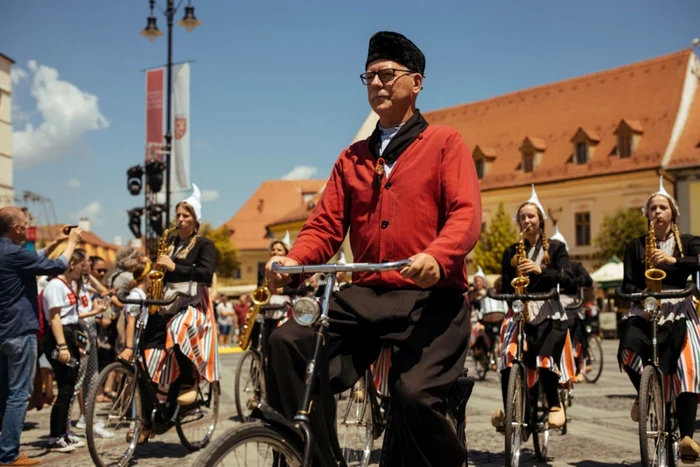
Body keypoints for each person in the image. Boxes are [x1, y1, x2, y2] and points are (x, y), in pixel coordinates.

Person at [266, 31, 481, 466]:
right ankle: (316, 460)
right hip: (365, 296)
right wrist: (292, 260)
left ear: (416, 83)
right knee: (287, 343)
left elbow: (465, 215)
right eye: (369, 77)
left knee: (413, 397)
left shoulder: (445, 143)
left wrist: (437, 258)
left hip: (431, 299)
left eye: (387, 74)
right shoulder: (352, 158)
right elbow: (324, 226)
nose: (377, 84)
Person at [123, 184, 218, 444]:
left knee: (178, 329)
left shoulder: (205, 245)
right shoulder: (172, 243)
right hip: (166, 301)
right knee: (145, 353)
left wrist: (175, 266)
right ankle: (149, 417)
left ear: (195, 219)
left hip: (192, 304)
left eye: (185, 215)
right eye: (178, 215)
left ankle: (189, 384)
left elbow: (206, 275)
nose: (179, 219)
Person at [617, 176, 700, 459]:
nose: (657, 213)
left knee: (688, 364)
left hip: (679, 306)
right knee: (627, 345)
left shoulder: (688, 242)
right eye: (652, 208)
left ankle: (688, 437)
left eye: (662, 208)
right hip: (646, 306)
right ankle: (645, 394)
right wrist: (639, 292)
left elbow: (698, 262)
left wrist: (673, 261)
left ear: (673, 213)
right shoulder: (635, 246)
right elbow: (626, 284)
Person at [0, 207, 82, 466]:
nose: (28, 226)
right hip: (18, 330)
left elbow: (33, 258)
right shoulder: (13, 252)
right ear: (16, 228)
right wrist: (70, 244)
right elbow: (58, 266)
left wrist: (56, 242)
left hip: (3, 330)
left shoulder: (7, 252)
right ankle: (9, 454)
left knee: (3, 392)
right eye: (25, 223)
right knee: (18, 393)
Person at [491, 185, 574, 432]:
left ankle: (553, 404)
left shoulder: (557, 248)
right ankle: (511, 408)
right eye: (523, 217)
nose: (527, 220)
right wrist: (509, 299)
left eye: (532, 216)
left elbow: (569, 278)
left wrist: (541, 271)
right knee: (508, 355)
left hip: (548, 308)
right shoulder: (511, 251)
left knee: (545, 357)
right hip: (519, 309)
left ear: (540, 221)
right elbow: (506, 284)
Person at [42, 249, 91, 453]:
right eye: (82, 264)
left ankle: (63, 433)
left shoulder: (67, 284)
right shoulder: (55, 285)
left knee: (69, 387)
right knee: (63, 388)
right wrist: (62, 345)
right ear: (72, 264)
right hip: (59, 336)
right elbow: (55, 317)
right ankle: (55, 436)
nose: (84, 267)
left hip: (69, 335)